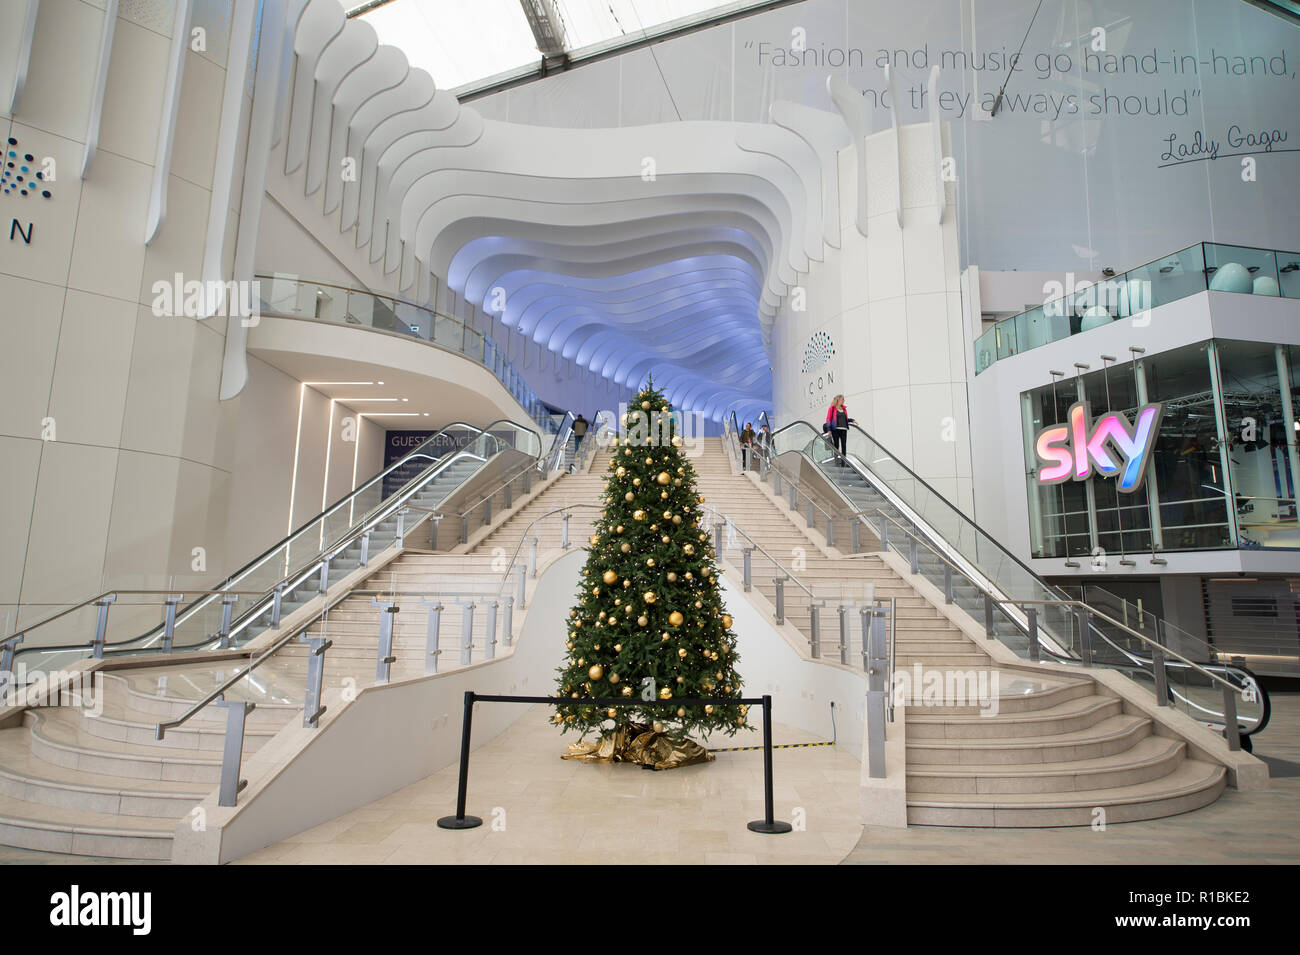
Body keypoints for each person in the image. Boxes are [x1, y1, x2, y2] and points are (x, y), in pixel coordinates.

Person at [824, 395, 854, 463]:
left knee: (844, 445)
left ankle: (844, 461)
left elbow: (845, 419)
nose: (844, 400)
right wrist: (829, 429)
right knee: (836, 445)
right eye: (842, 399)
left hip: (844, 429)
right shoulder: (832, 408)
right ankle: (836, 460)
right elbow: (828, 419)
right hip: (836, 429)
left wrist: (852, 420)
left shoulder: (844, 409)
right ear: (838, 400)